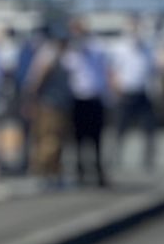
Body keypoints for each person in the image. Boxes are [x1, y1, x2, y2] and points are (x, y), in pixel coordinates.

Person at [22, 26, 73, 184]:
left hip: (57, 104)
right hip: (50, 105)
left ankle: (52, 172)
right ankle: (44, 172)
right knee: (49, 139)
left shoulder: (54, 54)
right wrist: (31, 100)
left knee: (53, 139)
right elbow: (37, 80)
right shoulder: (49, 55)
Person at [110, 16, 160, 173]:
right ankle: (115, 157)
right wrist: (116, 89)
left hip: (142, 93)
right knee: (120, 129)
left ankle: (148, 160)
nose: (136, 34)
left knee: (149, 129)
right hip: (125, 94)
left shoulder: (148, 49)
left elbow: (153, 71)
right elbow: (112, 71)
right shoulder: (119, 49)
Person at [64, 19, 110, 187]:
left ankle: (98, 173)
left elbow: (104, 72)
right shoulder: (70, 54)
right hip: (77, 100)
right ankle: (80, 173)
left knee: (97, 139)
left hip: (95, 98)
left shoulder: (97, 48)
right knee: (78, 139)